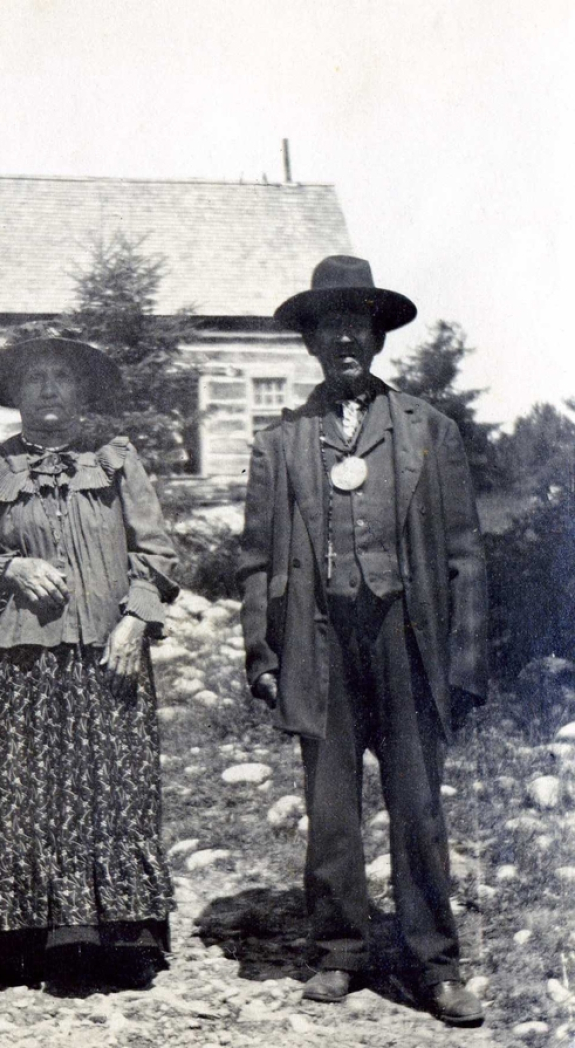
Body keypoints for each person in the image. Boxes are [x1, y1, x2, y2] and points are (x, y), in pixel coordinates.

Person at [238, 256, 488, 1026]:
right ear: (310, 341)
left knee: (418, 807)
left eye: (358, 323)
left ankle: (435, 965)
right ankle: (340, 952)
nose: (345, 336)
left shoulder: (428, 431)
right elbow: (254, 557)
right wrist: (262, 651)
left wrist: (466, 662)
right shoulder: (281, 442)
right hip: (319, 642)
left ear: (377, 336)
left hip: (406, 640)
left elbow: (465, 554)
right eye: (329, 324)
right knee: (332, 808)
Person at [0, 336, 179, 990]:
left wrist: (136, 620)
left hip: (104, 658)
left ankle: (110, 936)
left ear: (82, 392)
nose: (49, 389)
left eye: (62, 378)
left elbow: (158, 556)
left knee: (110, 794)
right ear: (16, 395)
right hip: (16, 665)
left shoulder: (115, 462)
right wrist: (10, 568)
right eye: (35, 380)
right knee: (1, 795)